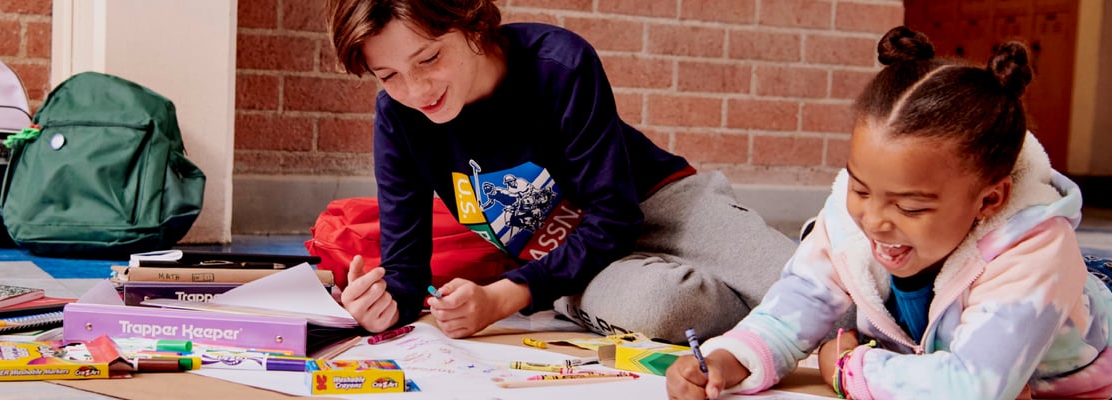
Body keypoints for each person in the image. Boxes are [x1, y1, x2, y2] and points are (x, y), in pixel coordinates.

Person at [665, 26, 1112, 400]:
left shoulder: (1032, 248)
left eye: (910, 206)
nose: (874, 220)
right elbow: (798, 305)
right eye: (860, 188)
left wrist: (848, 371)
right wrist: (728, 360)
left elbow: (975, 386)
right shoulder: (855, 218)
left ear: (989, 200)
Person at [326, 0, 796, 341]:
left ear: (469, 20)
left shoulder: (559, 63)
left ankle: (779, 305)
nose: (416, 89)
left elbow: (615, 217)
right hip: (571, 264)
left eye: (428, 58)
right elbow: (407, 272)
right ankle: (772, 321)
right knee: (667, 308)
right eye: (388, 75)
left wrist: (507, 296)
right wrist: (381, 308)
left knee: (809, 283)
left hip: (660, 205)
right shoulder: (398, 118)